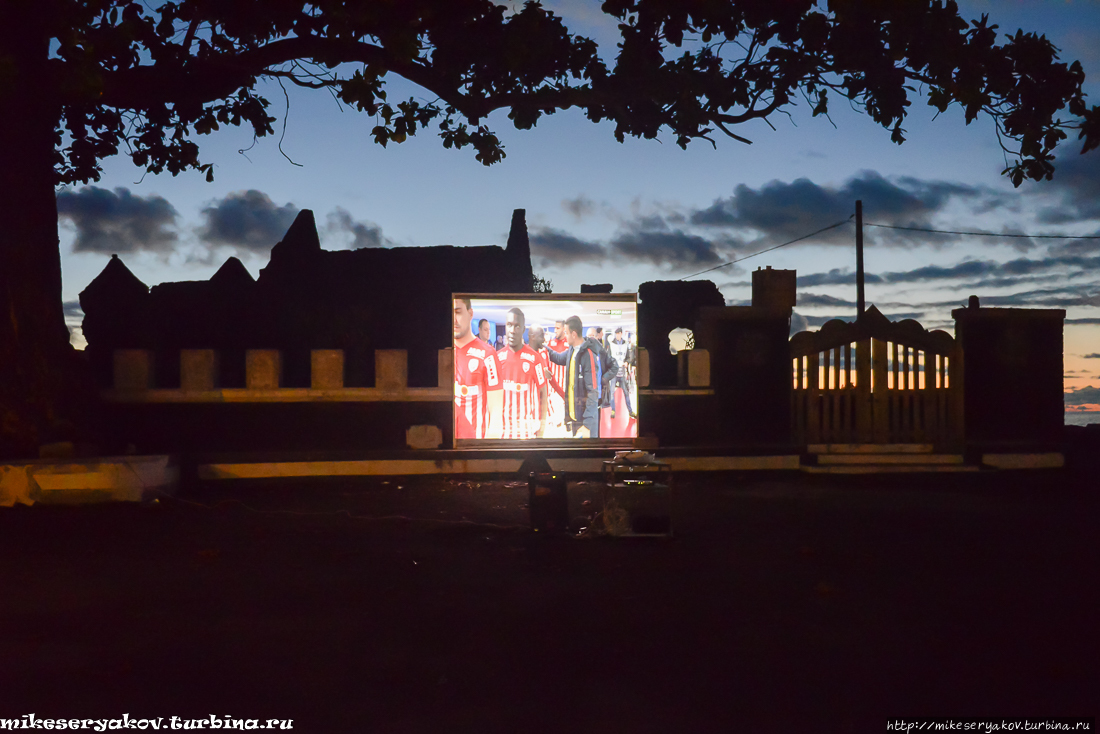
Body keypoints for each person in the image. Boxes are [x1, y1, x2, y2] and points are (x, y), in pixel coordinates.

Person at [545, 315, 615, 438]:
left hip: (586, 420)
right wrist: (543, 346)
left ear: (574, 334)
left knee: (588, 450)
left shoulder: (588, 355)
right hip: (575, 416)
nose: (565, 335)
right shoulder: (572, 350)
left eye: (566, 333)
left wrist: (587, 425)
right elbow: (558, 358)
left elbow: (593, 391)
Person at [495, 308, 548, 439]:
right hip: (502, 433)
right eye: (509, 325)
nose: (512, 330)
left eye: (517, 326)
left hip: (527, 433)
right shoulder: (497, 358)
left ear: (523, 329)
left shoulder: (535, 359)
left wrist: (542, 429)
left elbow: (543, 393)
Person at [454, 298, 503, 439]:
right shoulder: (442, 353)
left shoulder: (488, 354)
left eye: (458, 312)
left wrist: (488, 449)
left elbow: (496, 411)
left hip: (474, 445)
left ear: (470, 314)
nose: (454, 319)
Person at [529, 325, 566, 436]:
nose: (544, 339)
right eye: (541, 336)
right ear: (533, 337)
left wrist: (563, 395)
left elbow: (550, 377)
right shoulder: (525, 355)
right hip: (530, 407)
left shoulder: (544, 351)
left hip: (546, 403)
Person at [607, 327, 636, 420]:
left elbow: (629, 357)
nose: (617, 336)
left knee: (626, 392)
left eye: (618, 334)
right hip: (614, 372)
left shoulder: (625, 344)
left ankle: (630, 411)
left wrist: (627, 362)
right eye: (616, 334)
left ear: (621, 334)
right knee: (612, 392)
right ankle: (613, 410)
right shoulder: (611, 344)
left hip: (622, 372)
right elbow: (608, 357)